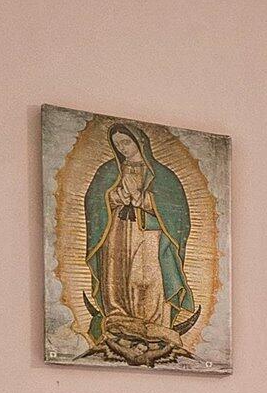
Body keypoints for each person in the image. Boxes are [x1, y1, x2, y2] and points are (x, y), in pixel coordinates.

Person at [83, 121, 200, 365]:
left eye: (126, 142)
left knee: (148, 278)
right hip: (117, 233)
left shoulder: (162, 176)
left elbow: (177, 213)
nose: (123, 148)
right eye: (117, 145)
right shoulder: (108, 171)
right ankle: (119, 320)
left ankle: (154, 325)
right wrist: (114, 196)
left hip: (149, 236)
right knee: (117, 276)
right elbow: (94, 200)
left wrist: (145, 200)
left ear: (139, 142)